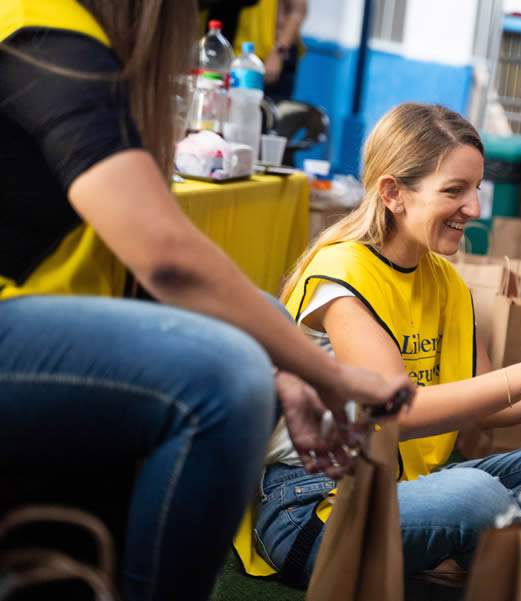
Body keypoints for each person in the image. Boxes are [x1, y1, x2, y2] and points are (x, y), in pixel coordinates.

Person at [0, 2, 412, 600]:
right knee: (223, 377)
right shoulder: (48, 35)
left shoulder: (79, 46)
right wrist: (326, 372)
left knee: (262, 333)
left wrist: (286, 359)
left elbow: (133, 263)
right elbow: (164, 257)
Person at [239, 103, 521, 585]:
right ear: (393, 193)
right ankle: (467, 561)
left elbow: (483, 401)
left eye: (476, 188)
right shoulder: (340, 278)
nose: (476, 209)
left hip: (402, 489)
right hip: (310, 512)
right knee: (475, 496)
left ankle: (449, 559)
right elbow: (397, 412)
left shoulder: (446, 280)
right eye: (455, 191)